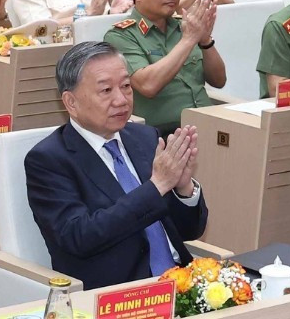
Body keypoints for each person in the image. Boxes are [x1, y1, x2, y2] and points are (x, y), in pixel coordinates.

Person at [25, 42, 208, 287]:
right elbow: (80, 237)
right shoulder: (49, 160)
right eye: (106, 90)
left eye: (126, 86)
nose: (121, 100)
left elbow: (189, 232)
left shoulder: (145, 138)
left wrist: (183, 189)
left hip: (182, 282)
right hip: (118, 295)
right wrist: (157, 186)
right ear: (71, 102)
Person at [105, 0, 225, 134]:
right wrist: (189, 40)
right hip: (162, 135)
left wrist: (205, 41)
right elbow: (148, 86)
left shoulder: (183, 26)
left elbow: (219, 80)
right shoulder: (122, 36)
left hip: (208, 124)